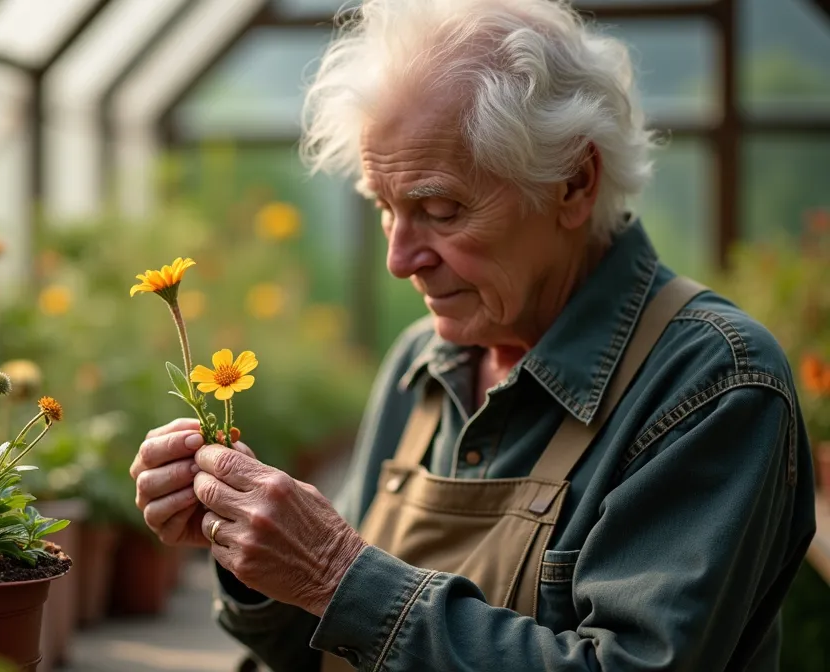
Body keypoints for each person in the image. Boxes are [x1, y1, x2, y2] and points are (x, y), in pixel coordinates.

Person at [129, 0, 817, 669]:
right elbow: (331, 652)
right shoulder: (423, 365)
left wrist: (339, 575)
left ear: (574, 182)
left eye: (439, 208)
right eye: (384, 208)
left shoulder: (712, 383)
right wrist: (255, 558)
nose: (400, 258)